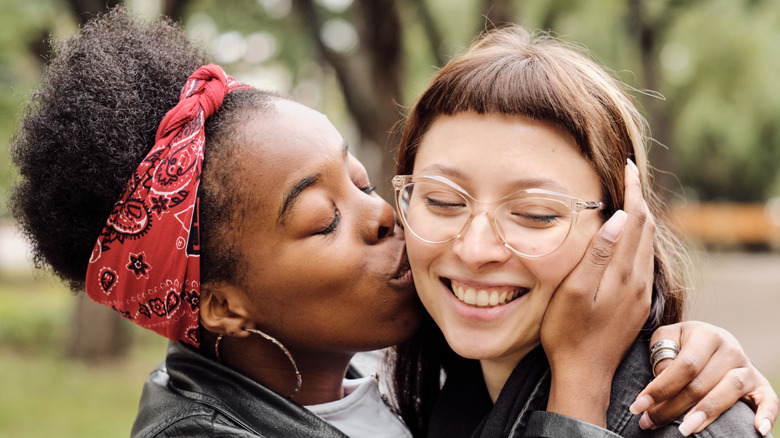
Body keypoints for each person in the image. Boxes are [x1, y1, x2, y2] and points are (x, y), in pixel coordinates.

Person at [8, 9, 776, 438]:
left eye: (368, 183)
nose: (386, 221)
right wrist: (579, 380)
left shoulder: (409, 375)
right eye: (323, 220)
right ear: (224, 306)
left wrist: (681, 344)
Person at [390, 25, 777, 438]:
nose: (474, 249)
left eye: (535, 214)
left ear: (624, 230)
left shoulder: (691, 428)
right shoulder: (437, 400)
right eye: (443, 202)